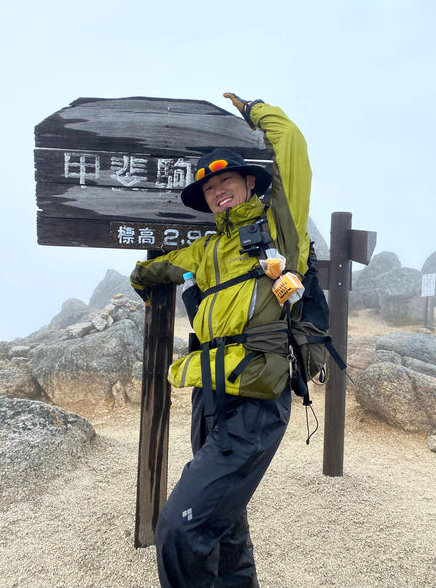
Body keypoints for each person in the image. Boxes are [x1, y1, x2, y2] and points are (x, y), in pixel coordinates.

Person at [130, 92, 312, 587]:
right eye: (208, 189)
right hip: (209, 397)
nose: (217, 192)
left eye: (225, 180)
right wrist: (142, 276)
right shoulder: (208, 249)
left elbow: (291, 145)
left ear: (249, 182)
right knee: (225, 525)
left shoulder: (277, 227)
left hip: (255, 395)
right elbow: (162, 269)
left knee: (179, 528)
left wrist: (256, 110)